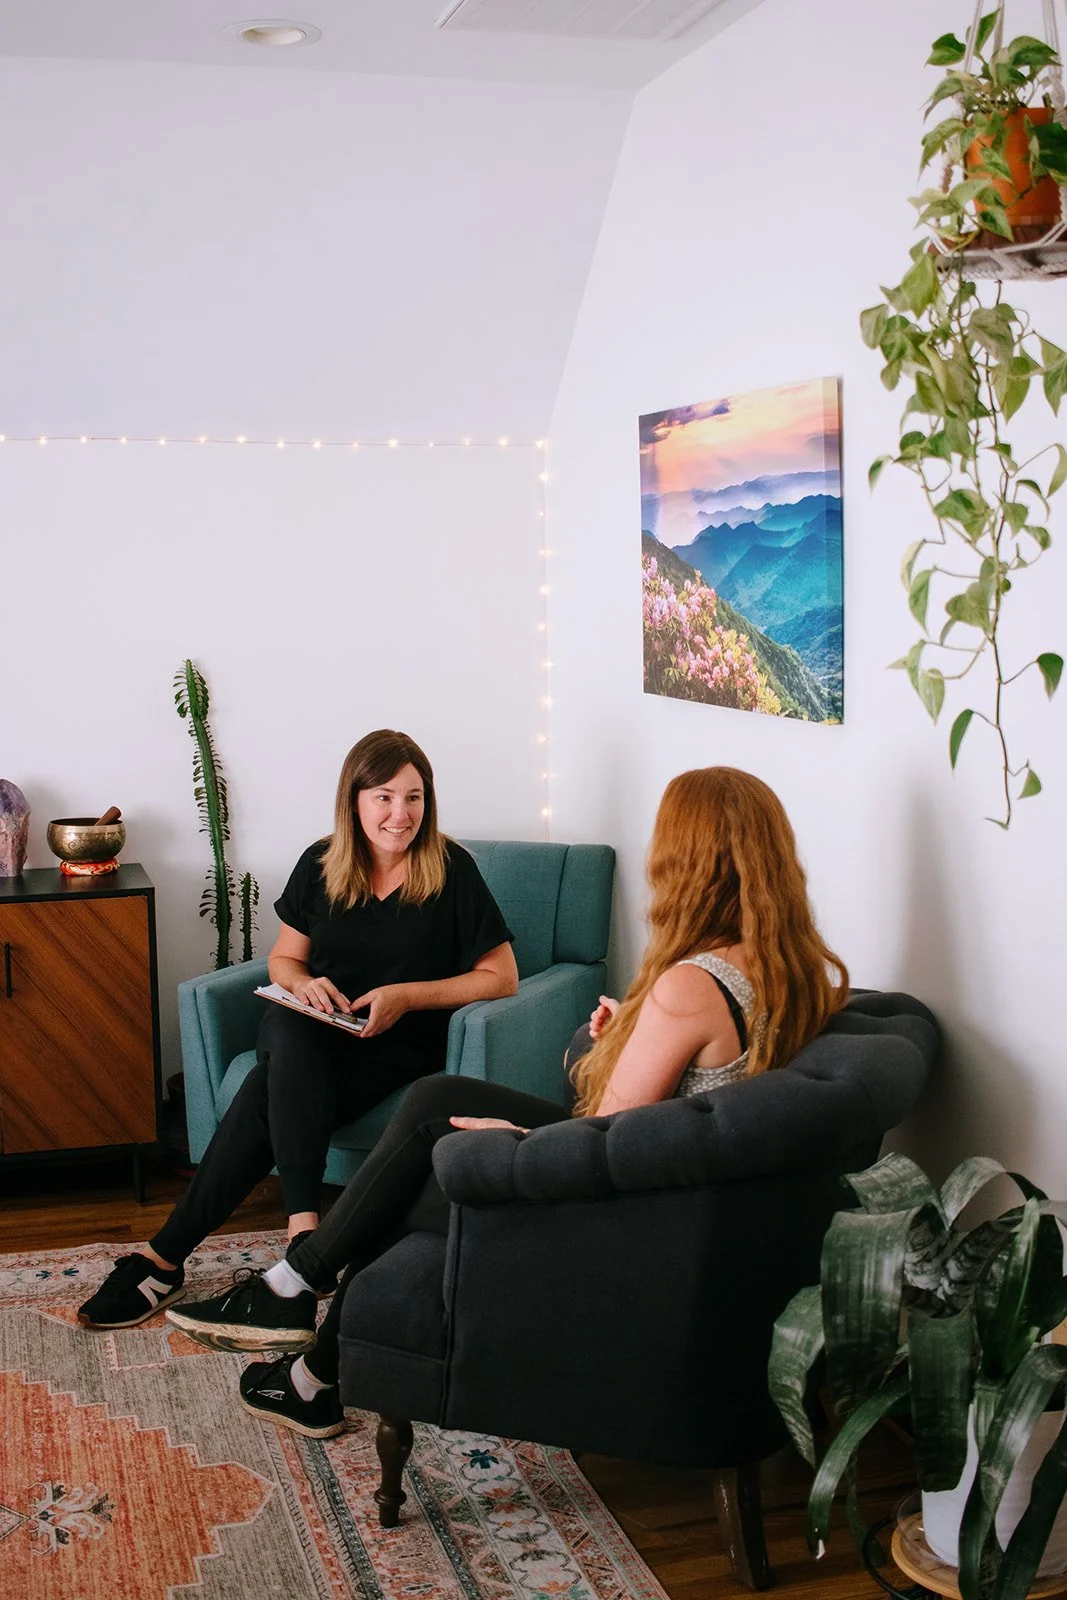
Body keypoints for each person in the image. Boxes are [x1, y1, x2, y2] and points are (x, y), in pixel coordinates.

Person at [163, 765, 850, 1439]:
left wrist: (514, 1137)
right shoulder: (794, 965)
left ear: (692, 862)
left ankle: (302, 1329)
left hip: (635, 1199)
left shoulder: (687, 986)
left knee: (428, 1160)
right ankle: (299, 1316)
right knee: (436, 1102)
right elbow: (706, 1073)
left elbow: (603, 1141)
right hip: (677, 1170)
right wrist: (624, 1037)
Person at [77, 729, 518, 1331]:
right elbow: (284, 960)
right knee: (291, 1028)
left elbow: (501, 978)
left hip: (393, 1045)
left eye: (413, 797)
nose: (400, 814)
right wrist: (304, 984)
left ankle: (165, 1258)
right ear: (354, 800)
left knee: (268, 1086)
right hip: (315, 1030)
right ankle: (302, 1234)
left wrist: (406, 996)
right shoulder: (320, 863)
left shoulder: (451, 870)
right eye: (384, 797)